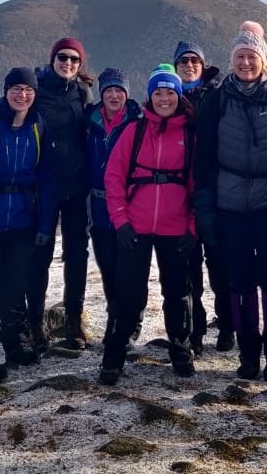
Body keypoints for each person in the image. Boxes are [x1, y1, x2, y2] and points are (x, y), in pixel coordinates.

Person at [193, 24, 267, 381]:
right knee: (239, 281)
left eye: (251, 56)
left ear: (264, 61)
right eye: (239, 56)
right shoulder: (216, 99)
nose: (245, 62)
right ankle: (248, 353)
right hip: (229, 204)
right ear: (231, 61)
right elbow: (203, 158)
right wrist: (205, 206)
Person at [99, 65, 199, 384]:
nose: (164, 98)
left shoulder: (189, 134)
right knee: (127, 293)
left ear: (179, 96)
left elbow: (200, 184)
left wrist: (193, 228)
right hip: (135, 226)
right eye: (158, 93)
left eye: (170, 92)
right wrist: (121, 221)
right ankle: (114, 355)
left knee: (178, 292)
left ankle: (181, 349)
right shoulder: (134, 131)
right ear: (150, 97)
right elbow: (113, 176)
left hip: (177, 227)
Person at [0, 67, 51, 379]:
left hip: (23, 218)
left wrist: (44, 223)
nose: (22, 94)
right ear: (5, 91)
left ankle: (13, 342)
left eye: (27, 89)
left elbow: (45, 177)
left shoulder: (39, 126)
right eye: (16, 88)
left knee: (17, 284)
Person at [29, 38, 95, 351]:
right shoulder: (37, 90)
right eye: (62, 57)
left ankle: (73, 321)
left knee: (76, 254)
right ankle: (34, 324)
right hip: (44, 185)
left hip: (77, 186)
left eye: (74, 59)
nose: (67, 63)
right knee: (39, 253)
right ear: (53, 58)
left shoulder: (82, 93)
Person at [173, 39, 226, 353]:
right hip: (180, 192)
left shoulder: (218, 96)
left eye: (194, 60)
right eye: (183, 61)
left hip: (217, 190)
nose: (189, 65)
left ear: (203, 65)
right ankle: (194, 330)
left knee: (219, 262)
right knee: (188, 266)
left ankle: (227, 325)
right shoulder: (167, 96)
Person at [85, 68, 141, 332]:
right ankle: (114, 316)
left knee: (128, 269)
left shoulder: (136, 123)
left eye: (119, 90)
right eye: (109, 90)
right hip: (97, 207)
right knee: (107, 268)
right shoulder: (89, 123)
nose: (114, 95)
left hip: (129, 207)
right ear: (101, 94)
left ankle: (130, 321)